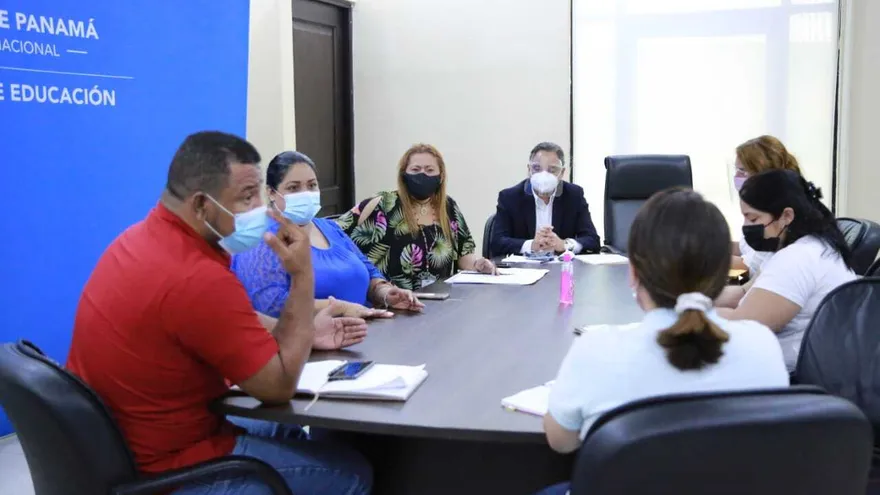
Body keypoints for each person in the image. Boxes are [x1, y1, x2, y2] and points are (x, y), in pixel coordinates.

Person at [66, 132, 372, 494]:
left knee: (290, 432)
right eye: (246, 198)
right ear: (200, 205)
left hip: (126, 445)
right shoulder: (197, 277)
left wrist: (304, 330)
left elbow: (226, 323)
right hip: (172, 467)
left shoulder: (141, 240)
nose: (261, 208)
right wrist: (302, 274)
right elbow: (278, 387)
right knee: (352, 473)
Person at [537, 189, 789, 495]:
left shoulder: (598, 350)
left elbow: (560, 441)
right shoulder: (762, 346)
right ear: (723, 272)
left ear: (633, 273)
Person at [233, 151, 424, 324]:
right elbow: (272, 305)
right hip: (308, 350)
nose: (305, 194)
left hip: (363, 335)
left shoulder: (330, 228)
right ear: (271, 193)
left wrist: (384, 293)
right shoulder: (260, 240)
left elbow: (368, 271)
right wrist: (340, 308)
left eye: (312, 185)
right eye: (293, 188)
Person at [716, 169, 856, 371]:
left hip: (789, 377)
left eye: (753, 219)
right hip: (799, 370)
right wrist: (686, 296)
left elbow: (742, 326)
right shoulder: (807, 247)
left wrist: (690, 310)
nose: (746, 227)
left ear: (786, 216)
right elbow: (742, 293)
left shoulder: (799, 258)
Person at [336, 143, 496, 290]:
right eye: (415, 169)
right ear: (403, 174)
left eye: (429, 170)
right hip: (391, 302)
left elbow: (463, 253)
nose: (422, 175)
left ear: (440, 176)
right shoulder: (383, 204)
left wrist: (478, 263)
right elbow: (331, 233)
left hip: (440, 303)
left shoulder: (448, 207)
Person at [491, 142, 600, 256]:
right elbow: (497, 242)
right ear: (529, 169)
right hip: (524, 269)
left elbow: (592, 240)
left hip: (561, 268)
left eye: (552, 170)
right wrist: (531, 245)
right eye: (537, 168)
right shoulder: (510, 197)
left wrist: (564, 245)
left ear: (562, 172)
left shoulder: (574, 195)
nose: (543, 175)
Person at [730, 135, 802, 273]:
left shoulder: (777, 210)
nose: (737, 176)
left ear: (762, 173)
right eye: (736, 170)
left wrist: (705, 257)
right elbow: (746, 249)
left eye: (743, 171)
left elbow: (751, 265)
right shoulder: (761, 202)